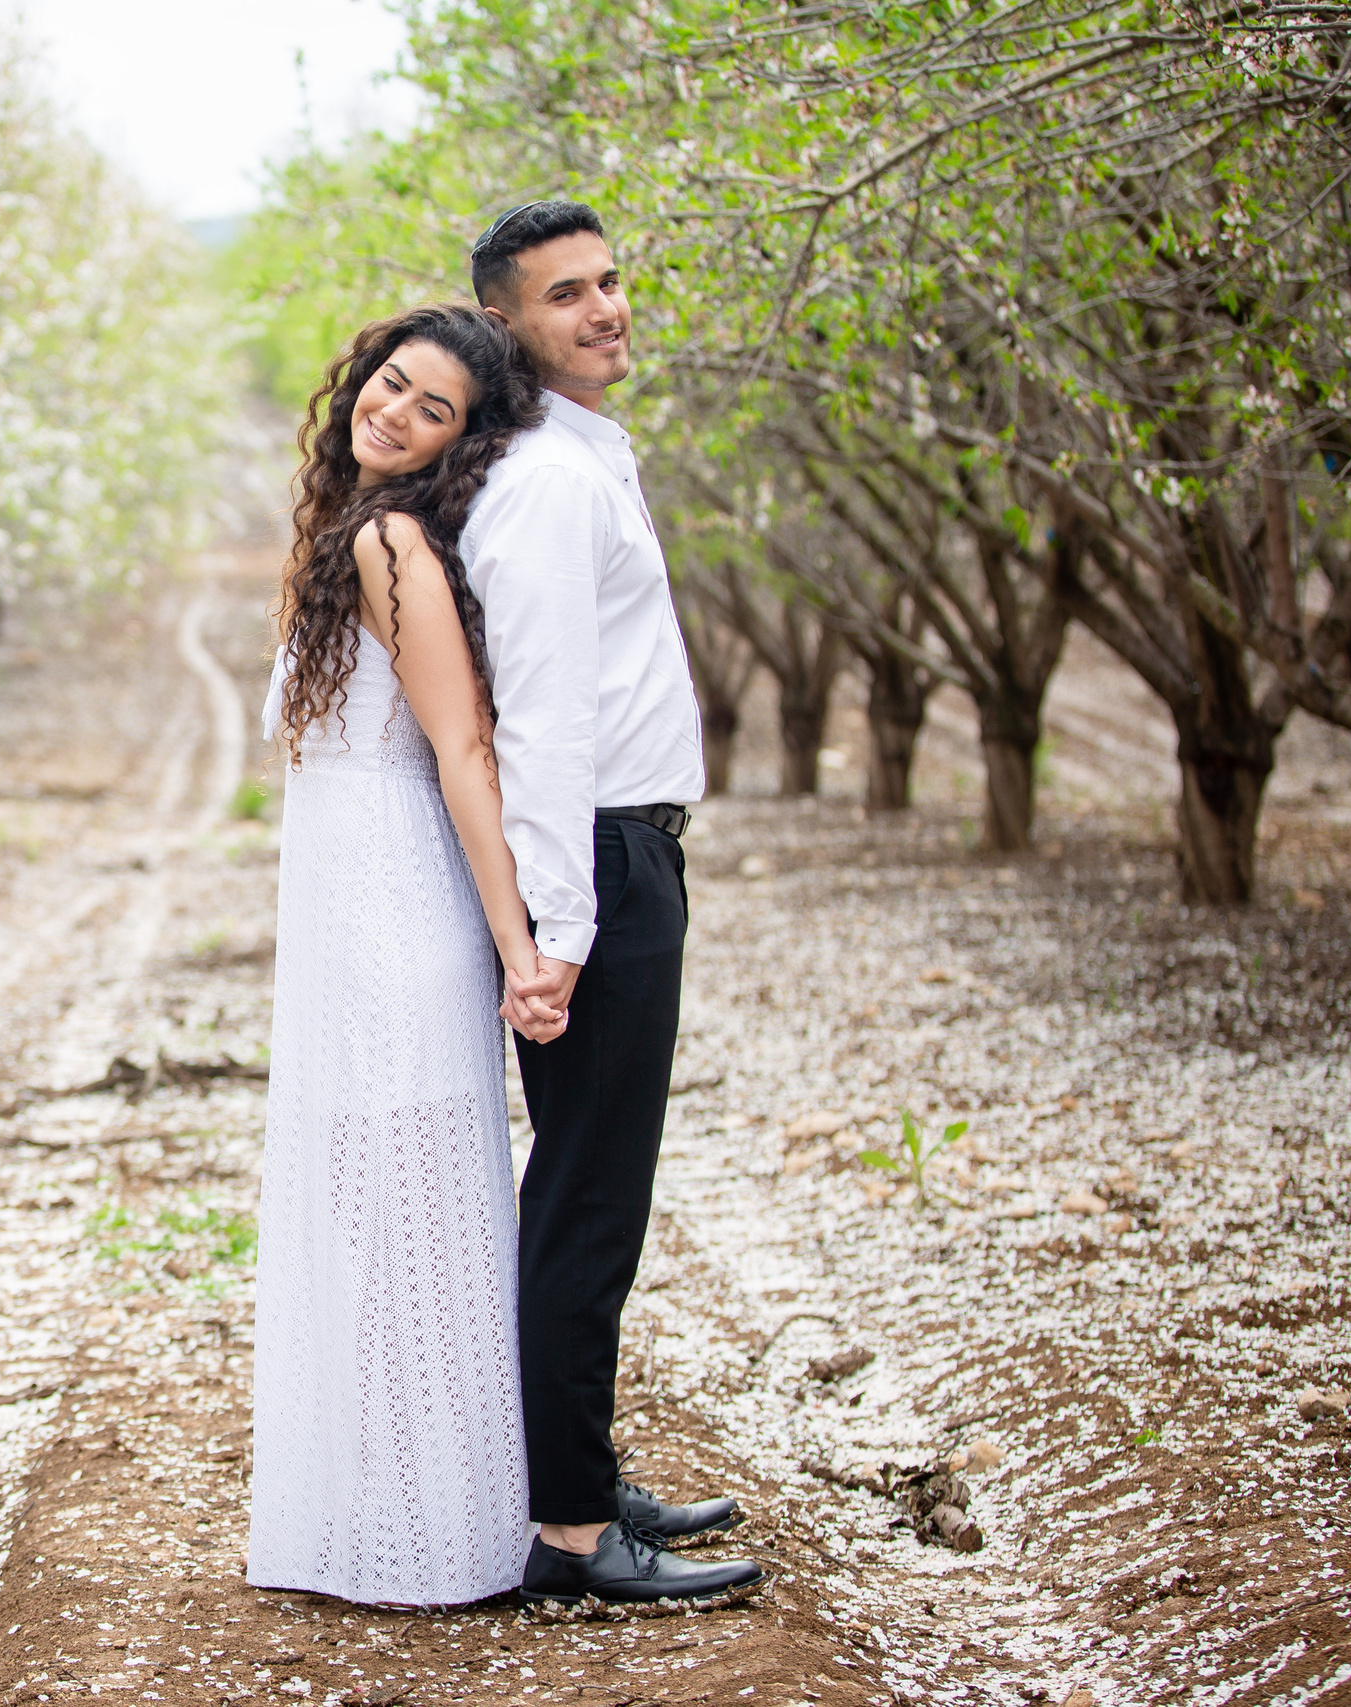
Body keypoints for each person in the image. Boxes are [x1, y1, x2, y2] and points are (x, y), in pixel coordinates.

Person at [464, 199, 764, 1604]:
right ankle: (574, 1531)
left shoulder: (588, 456)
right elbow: (540, 722)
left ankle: (566, 1468)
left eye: (611, 281)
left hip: (627, 852)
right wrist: (564, 931)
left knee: (592, 1190)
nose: (604, 309)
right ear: (509, 326)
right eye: (565, 295)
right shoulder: (543, 481)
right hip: (595, 862)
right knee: (590, 1200)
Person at [247, 302, 554, 1607]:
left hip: (395, 919)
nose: (396, 413)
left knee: (414, 1229)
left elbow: (464, 749)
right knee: (372, 1227)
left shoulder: (392, 546)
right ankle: (380, 1511)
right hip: (343, 923)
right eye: (392, 384)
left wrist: (517, 945)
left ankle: (443, 1536)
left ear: (458, 445)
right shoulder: (341, 536)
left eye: (435, 410)